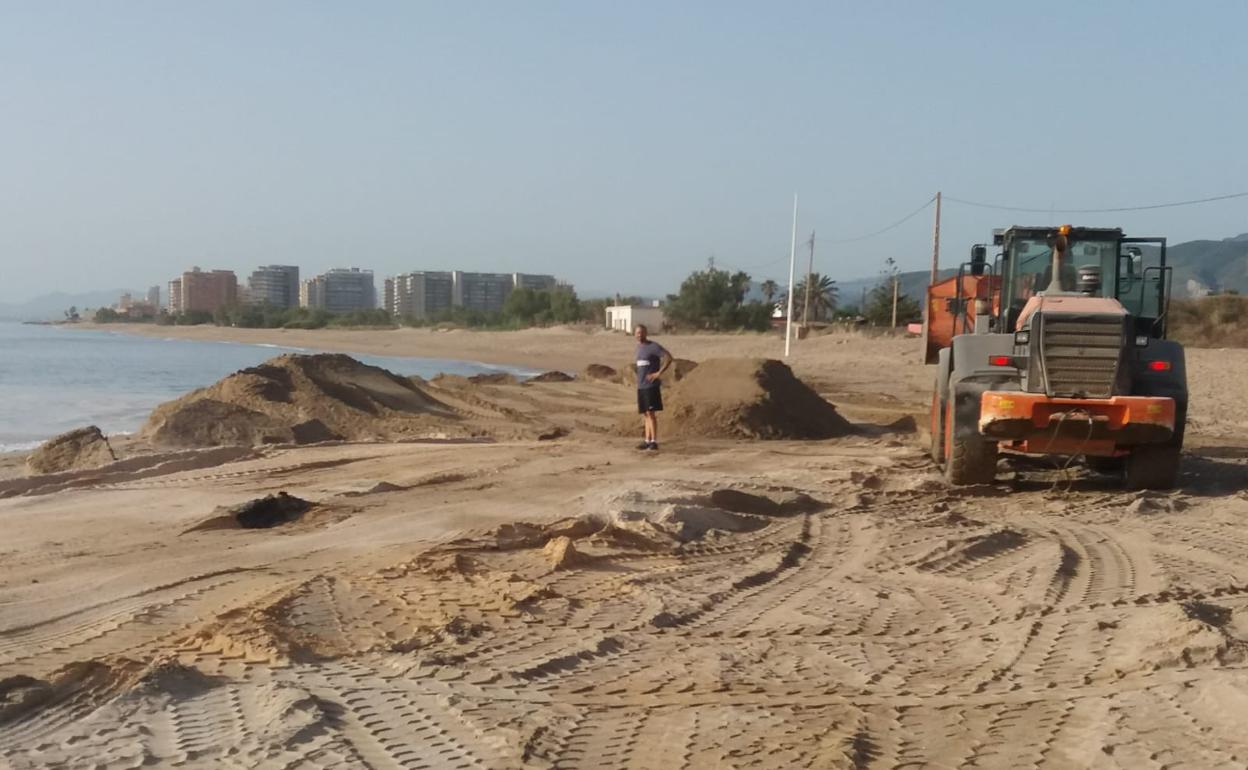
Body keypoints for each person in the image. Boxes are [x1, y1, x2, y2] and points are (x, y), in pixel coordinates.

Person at [633, 324, 672, 451]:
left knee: (651, 413)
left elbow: (668, 357)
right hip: (641, 386)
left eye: (641, 332)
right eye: (637, 333)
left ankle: (654, 441)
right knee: (645, 414)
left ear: (646, 333)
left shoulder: (653, 347)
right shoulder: (639, 348)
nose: (639, 335)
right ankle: (647, 440)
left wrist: (658, 373)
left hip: (651, 386)